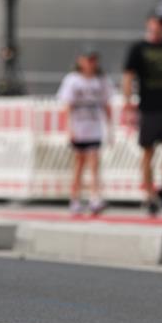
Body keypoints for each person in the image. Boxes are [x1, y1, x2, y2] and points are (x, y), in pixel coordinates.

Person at [122, 10, 162, 215]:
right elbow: (128, 76)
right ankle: (149, 195)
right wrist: (128, 102)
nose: (160, 27)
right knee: (148, 151)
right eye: (157, 22)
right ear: (149, 23)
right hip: (149, 106)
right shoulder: (138, 48)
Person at [56, 48, 114, 215]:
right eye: (88, 60)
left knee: (95, 162)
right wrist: (69, 129)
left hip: (94, 125)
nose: (91, 64)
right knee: (79, 163)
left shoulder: (101, 80)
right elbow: (66, 106)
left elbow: (106, 104)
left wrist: (110, 128)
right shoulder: (73, 80)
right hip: (79, 125)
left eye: (93, 60)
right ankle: (75, 198)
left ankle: (95, 197)